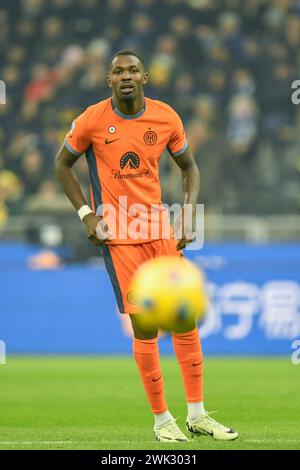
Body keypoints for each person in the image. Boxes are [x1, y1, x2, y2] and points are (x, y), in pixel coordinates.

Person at [55, 50, 238, 443]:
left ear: (145, 77)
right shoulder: (91, 120)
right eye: (118, 71)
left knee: (185, 320)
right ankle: (161, 420)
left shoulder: (166, 117)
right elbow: (61, 164)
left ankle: (197, 414)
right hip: (120, 237)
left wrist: (188, 214)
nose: (125, 76)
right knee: (146, 327)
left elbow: (190, 168)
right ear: (108, 80)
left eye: (132, 70)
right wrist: (87, 214)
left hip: (160, 233)